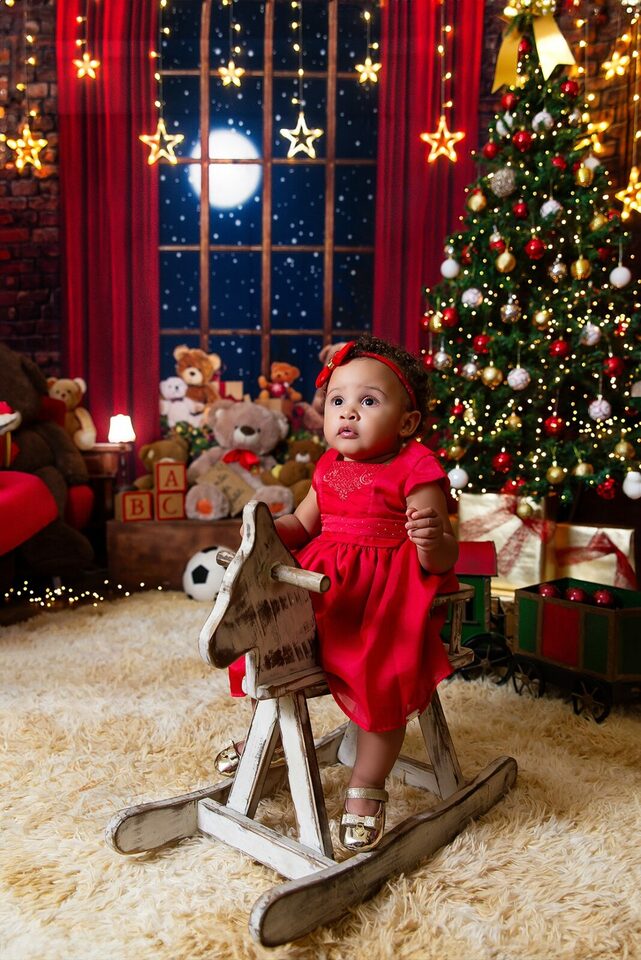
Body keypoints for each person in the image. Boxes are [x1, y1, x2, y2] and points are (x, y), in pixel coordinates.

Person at [216, 335, 459, 853]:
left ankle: (366, 784)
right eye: (338, 401)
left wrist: (432, 539)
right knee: (269, 640)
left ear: (407, 423)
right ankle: (270, 735)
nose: (348, 412)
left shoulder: (417, 468)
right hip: (324, 589)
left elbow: (441, 560)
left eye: (368, 401)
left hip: (384, 600)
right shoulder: (329, 465)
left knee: (381, 677)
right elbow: (304, 525)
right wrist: (266, 530)